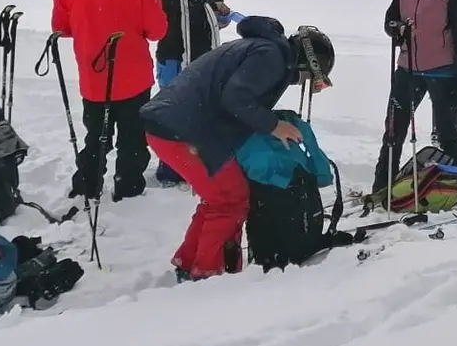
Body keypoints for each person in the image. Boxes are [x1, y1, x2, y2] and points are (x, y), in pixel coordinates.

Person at [139, 17, 333, 281]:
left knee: (221, 197)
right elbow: (236, 98)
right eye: (307, 77)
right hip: (182, 130)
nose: (301, 83)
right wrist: (273, 125)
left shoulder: (265, 49)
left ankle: (190, 262)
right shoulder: (271, 57)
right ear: (304, 61)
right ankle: (207, 274)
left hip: (174, 125)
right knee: (230, 200)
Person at [52, 0, 168, 202]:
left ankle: (87, 186)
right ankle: (128, 189)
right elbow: (157, 31)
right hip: (134, 79)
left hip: (93, 80)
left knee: (96, 136)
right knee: (132, 139)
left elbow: (61, 26)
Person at [373, 0, 457, 194]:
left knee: (448, 133)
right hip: (407, 69)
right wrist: (396, 28)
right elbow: (390, 19)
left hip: (442, 71)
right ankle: (382, 187)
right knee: (393, 130)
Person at [154, 0, 234, 186]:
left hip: (204, 57)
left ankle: (195, 165)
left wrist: (221, 16)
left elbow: (210, 15)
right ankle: (170, 171)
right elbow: (159, 24)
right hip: (174, 59)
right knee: (174, 114)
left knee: (203, 112)